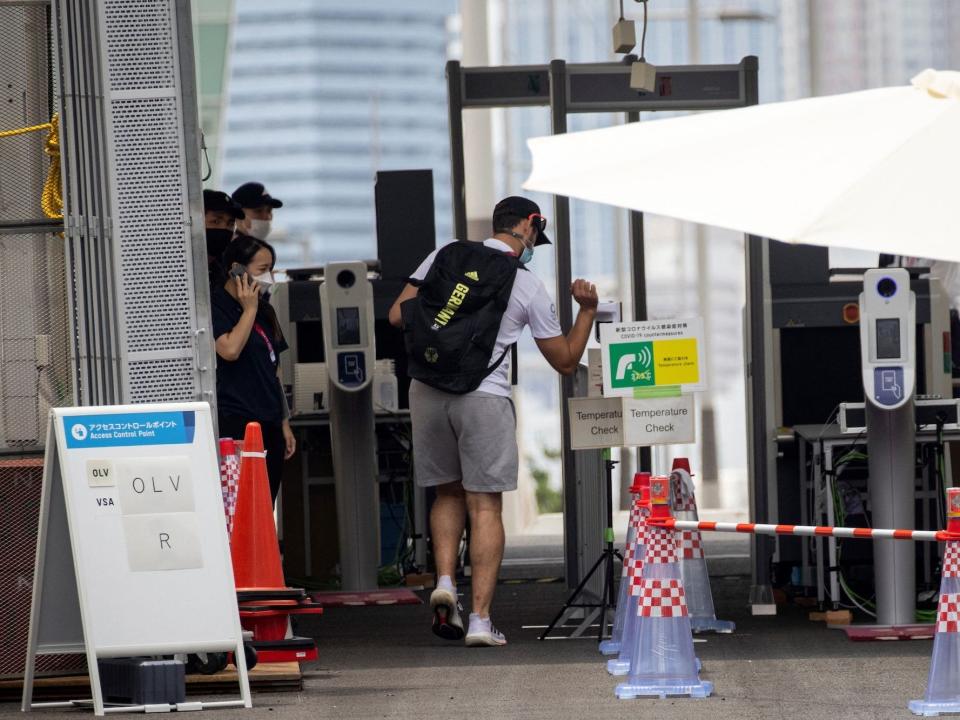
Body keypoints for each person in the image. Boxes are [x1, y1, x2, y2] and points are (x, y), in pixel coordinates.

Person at [388, 196, 598, 647]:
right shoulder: (526, 285)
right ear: (527, 226)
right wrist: (586, 311)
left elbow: (395, 315)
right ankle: (481, 620)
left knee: (446, 492)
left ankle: (445, 580)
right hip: (483, 396)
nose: (533, 246)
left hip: (425, 390)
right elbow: (564, 360)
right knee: (484, 505)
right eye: (535, 237)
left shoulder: (443, 255)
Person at [211, 234, 296, 502]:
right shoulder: (215, 306)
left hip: (269, 420)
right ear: (237, 268)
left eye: (271, 269)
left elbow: (275, 369)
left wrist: (284, 421)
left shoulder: (265, 310)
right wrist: (248, 310)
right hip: (236, 420)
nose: (268, 277)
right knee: (242, 503)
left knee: (266, 502)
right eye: (262, 270)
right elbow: (230, 349)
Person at [203, 189, 244, 283]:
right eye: (216, 221)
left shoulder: (231, 263)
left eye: (230, 224)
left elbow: (256, 293)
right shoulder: (179, 264)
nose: (224, 228)